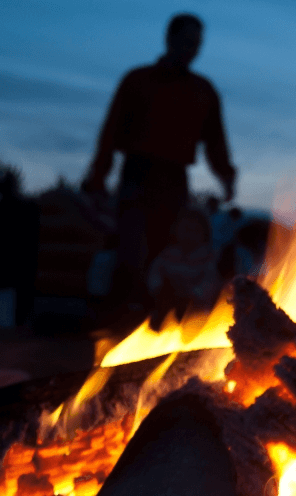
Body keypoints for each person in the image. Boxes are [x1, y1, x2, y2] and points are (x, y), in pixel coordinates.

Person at [81, 13, 237, 317]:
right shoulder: (137, 81)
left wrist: (227, 177)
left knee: (168, 252)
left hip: (174, 179)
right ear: (170, 39)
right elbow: (110, 133)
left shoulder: (203, 90)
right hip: (137, 175)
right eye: (186, 41)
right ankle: (118, 328)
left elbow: (216, 140)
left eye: (196, 44)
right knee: (130, 250)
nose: (191, 49)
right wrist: (98, 179)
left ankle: (160, 326)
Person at [147, 207, 221, 330]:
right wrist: (158, 288)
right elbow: (155, 274)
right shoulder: (167, 254)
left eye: (195, 231)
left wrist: (193, 293)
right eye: (185, 230)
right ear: (175, 230)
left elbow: (211, 280)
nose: (189, 235)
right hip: (166, 305)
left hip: (197, 310)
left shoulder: (209, 257)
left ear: (205, 233)